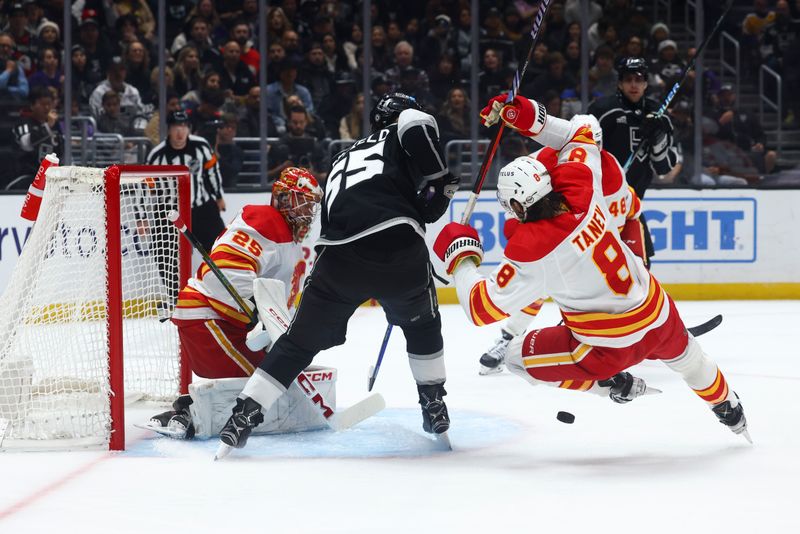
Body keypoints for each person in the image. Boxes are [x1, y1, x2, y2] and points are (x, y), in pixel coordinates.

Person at [434, 96, 750, 441]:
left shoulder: (534, 250)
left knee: (514, 357)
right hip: (656, 312)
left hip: (604, 348)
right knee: (692, 361)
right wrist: (521, 113)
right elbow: (577, 135)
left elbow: (480, 309)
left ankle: (610, 384)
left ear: (514, 205)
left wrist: (461, 258)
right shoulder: (581, 185)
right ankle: (730, 410)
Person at [216, 93, 460, 452]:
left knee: (297, 343)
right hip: (398, 252)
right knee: (422, 325)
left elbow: (353, 214)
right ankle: (433, 402)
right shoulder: (402, 130)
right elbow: (414, 129)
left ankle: (244, 414)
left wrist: (431, 196)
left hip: (338, 260)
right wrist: (440, 181)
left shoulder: (342, 158)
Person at [148, 167, 323, 438]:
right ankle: (187, 415)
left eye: (312, 206)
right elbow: (224, 272)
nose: (308, 212)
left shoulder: (286, 237)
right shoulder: (266, 220)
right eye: (303, 202)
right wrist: (255, 311)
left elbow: (273, 297)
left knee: (275, 378)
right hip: (208, 318)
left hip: (229, 324)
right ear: (284, 198)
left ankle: (193, 409)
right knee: (263, 386)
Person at [475, 111, 647, 375]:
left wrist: (635, 251)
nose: (594, 151)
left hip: (589, 248)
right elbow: (518, 198)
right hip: (560, 241)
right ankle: (509, 338)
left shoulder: (612, 176)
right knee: (536, 286)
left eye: (597, 145)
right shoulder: (543, 160)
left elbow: (626, 211)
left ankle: (604, 347)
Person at [588, 57, 679, 264]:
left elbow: (664, 168)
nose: (634, 85)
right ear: (619, 83)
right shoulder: (602, 110)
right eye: (628, 79)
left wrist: (657, 140)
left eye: (639, 79)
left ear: (646, 83)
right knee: (595, 268)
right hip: (601, 207)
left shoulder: (659, 116)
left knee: (640, 267)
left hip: (631, 209)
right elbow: (584, 155)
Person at [146, 110, 225, 252]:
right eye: (176, 127)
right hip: (168, 211)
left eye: (183, 126)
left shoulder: (201, 146)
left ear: (189, 128)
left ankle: (215, 274)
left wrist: (219, 196)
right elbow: (145, 188)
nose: (179, 131)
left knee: (219, 248)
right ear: (169, 129)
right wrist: (142, 217)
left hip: (201, 207)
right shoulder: (156, 156)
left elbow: (213, 171)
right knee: (165, 257)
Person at [11, 85, 62, 184]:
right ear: (32, 105)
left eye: (49, 104)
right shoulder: (23, 123)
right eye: (43, 104)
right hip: (25, 177)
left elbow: (61, 150)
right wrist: (47, 127)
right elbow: (26, 145)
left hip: (49, 177)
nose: (47, 108)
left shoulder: (55, 125)